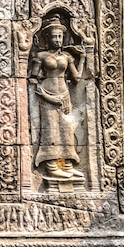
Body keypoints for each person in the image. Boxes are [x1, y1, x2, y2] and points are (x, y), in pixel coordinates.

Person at [30, 15, 85, 178]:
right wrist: (45, 95)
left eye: (60, 36)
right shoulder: (41, 56)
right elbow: (33, 79)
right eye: (54, 36)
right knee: (51, 131)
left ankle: (67, 165)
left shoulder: (67, 57)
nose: (57, 39)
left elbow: (76, 78)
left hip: (64, 94)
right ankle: (52, 167)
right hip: (47, 95)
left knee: (67, 130)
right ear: (47, 38)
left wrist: (81, 58)